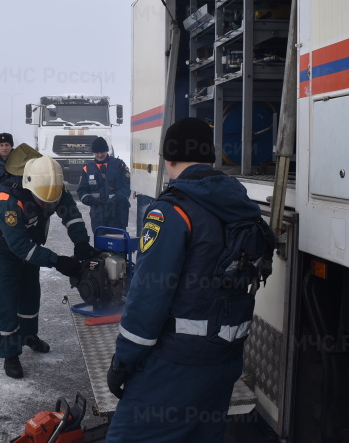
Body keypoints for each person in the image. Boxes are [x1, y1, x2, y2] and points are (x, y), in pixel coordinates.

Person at [105, 117, 269, 443]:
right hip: (225, 362)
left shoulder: (172, 212)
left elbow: (148, 298)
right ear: (210, 158)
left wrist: (123, 362)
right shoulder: (242, 207)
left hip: (176, 365)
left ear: (170, 159)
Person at [0, 143, 95, 379]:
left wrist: (81, 243)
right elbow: (19, 246)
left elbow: (72, 215)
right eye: (43, 202)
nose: (48, 207)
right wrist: (58, 261)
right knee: (6, 299)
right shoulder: (8, 199)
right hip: (3, 249)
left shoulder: (51, 185)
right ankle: (10, 353)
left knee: (31, 293)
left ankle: (28, 335)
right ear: (29, 186)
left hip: (31, 242)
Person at [76, 137, 131, 233]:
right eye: (97, 152)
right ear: (93, 153)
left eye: (102, 152)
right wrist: (90, 200)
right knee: (100, 245)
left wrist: (116, 199)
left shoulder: (119, 165)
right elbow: (82, 191)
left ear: (107, 151)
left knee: (116, 245)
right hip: (98, 215)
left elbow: (127, 186)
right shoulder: (87, 169)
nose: (100, 155)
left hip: (117, 213)